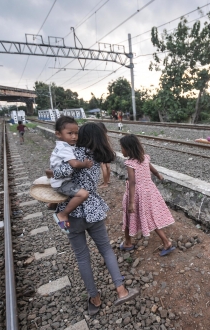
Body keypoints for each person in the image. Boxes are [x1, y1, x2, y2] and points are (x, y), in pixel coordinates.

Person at [54, 122, 140, 315]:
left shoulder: (73, 154)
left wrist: (52, 172)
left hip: (73, 211)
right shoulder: (97, 157)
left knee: (82, 257)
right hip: (94, 210)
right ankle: (121, 290)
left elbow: (59, 173)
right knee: (106, 250)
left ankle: (95, 297)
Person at [119, 134, 176, 256]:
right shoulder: (144, 158)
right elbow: (152, 169)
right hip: (149, 191)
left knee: (129, 216)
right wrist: (158, 175)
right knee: (150, 216)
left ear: (128, 149)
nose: (121, 150)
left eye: (122, 147)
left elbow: (133, 182)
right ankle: (165, 242)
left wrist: (131, 202)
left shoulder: (130, 164)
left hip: (137, 194)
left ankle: (128, 243)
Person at [50, 116, 92, 233]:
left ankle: (53, 204)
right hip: (62, 183)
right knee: (83, 194)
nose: (74, 137)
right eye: (70, 133)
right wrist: (84, 164)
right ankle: (63, 214)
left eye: (76, 133)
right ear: (58, 134)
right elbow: (74, 164)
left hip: (57, 179)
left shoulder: (62, 145)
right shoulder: (65, 148)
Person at [96, 122, 111, 188]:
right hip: (107, 152)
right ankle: (107, 180)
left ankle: (105, 184)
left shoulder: (98, 137)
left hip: (101, 153)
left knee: (103, 167)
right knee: (108, 166)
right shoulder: (106, 136)